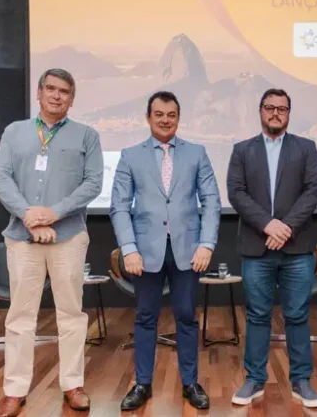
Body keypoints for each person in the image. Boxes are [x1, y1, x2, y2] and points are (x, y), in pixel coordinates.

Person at [0, 68, 103, 417]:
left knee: (71, 314)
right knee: (21, 315)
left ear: (72, 99)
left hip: (68, 238)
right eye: (51, 89)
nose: (57, 96)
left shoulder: (87, 136)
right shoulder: (15, 132)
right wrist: (29, 216)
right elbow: (1, 178)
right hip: (22, 239)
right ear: (38, 93)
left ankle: (73, 384)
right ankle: (15, 390)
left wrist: (51, 214)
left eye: (65, 91)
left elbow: (93, 183)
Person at [110, 90, 221, 411]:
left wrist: (207, 243)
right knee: (145, 317)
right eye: (159, 114)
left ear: (178, 117)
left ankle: (190, 383)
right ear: (148, 117)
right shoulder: (130, 156)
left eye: (171, 115)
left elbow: (212, 201)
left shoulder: (197, 153)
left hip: (189, 250)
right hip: (144, 252)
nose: (165, 120)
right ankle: (142, 383)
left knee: (186, 317)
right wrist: (129, 249)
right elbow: (119, 206)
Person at [226, 89, 317, 408]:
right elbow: (236, 193)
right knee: (257, 315)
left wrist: (286, 227)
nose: (276, 113)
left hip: (297, 248)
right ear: (260, 111)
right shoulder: (242, 150)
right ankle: (254, 379)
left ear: (289, 114)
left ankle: (301, 380)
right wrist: (268, 224)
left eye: (282, 108)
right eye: (270, 107)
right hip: (257, 246)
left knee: (297, 315)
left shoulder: (306, 148)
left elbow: (313, 191)